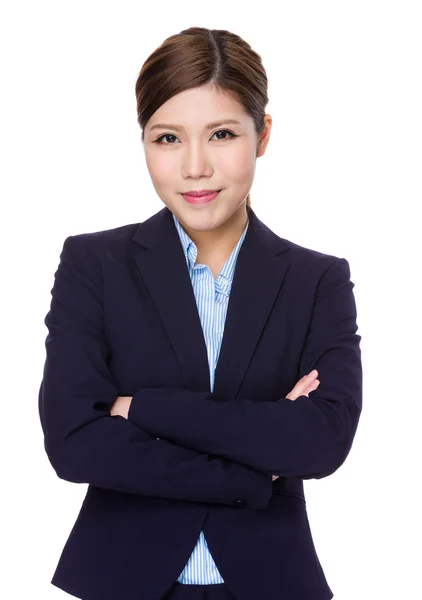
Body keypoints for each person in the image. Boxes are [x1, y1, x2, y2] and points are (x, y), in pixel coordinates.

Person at [38, 26, 362, 600]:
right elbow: (74, 443)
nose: (194, 167)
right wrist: (253, 466)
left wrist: (141, 408)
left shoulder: (317, 279)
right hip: (122, 581)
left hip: (271, 582)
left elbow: (320, 444)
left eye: (221, 134)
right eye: (166, 138)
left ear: (262, 135)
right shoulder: (95, 264)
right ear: (143, 141)